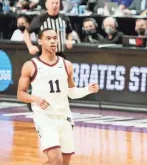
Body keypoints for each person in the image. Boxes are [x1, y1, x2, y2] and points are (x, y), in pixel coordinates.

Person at [16, 28, 99, 165]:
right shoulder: (31, 66)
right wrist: (35, 98)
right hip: (45, 117)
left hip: (64, 117)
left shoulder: (66, 65)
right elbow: (20, 94)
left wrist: (88, 90)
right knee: (56, 160)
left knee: (63, 163)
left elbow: (71, 93)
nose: (53, 41)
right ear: (40, 41)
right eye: (48, 38)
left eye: (55, 38)